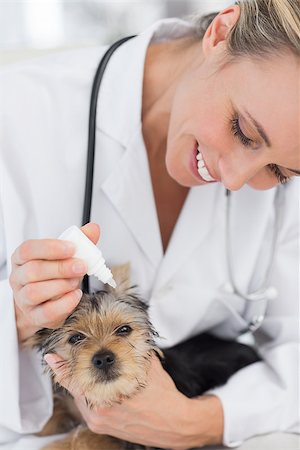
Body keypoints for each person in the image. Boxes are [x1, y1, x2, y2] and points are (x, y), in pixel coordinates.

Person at [0, 0, 299, 448]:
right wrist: (21, 319)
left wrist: (202, 421)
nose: (234, 179)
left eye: (278, 173)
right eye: (243, 131)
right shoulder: (19, 114)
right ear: (220, 34)